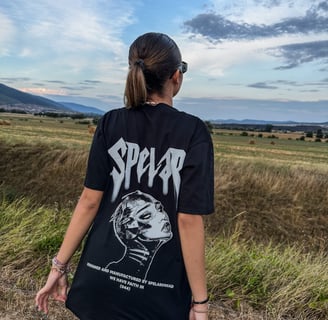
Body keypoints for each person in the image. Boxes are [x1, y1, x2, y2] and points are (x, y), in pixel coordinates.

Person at [35, 32, 214, 320]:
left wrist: (59, 267)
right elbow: (189, 219)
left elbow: (89, 202)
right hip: (159, 297)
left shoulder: (110, 121)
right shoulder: (193, 132)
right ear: (176, 76)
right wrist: (201, 303)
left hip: (98, 284)